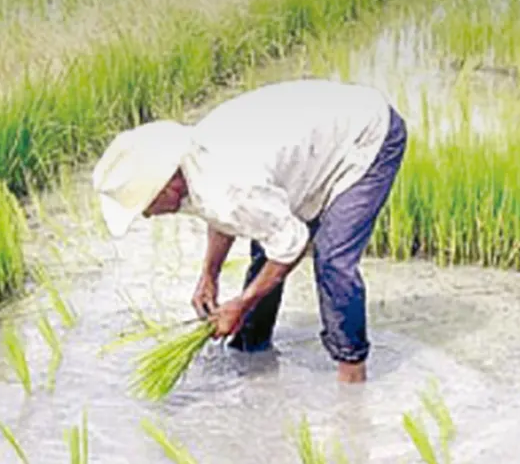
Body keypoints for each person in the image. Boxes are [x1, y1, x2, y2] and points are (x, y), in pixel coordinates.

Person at [91, 78, 407, 384]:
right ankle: (251, 350)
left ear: (164, 187)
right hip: (313, 146)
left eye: (145, 205)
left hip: (365, 137)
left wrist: (241, 303)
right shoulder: (193, 168)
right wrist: (209, 274)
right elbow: (225, 218)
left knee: (332, 260)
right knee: (266, 242)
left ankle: (352, 377)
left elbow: (290, 243)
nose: (147, 215)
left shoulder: (229, 184)